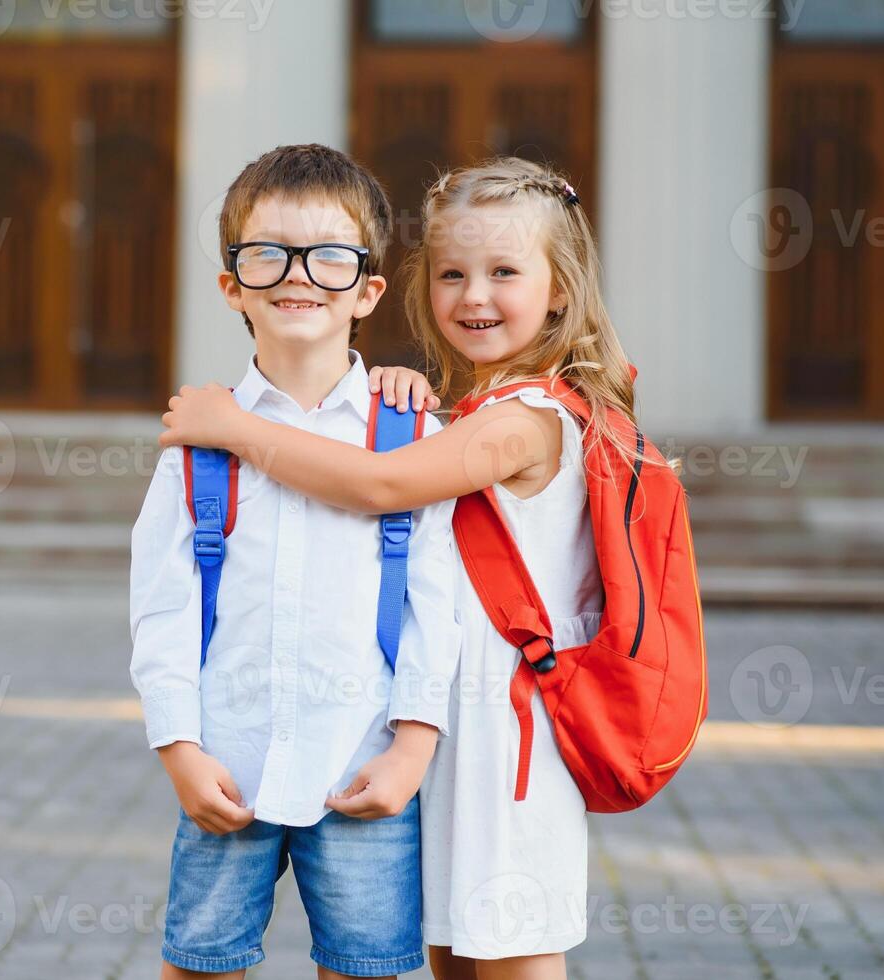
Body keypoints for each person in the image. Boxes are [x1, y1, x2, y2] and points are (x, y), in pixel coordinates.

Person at [160, 156, 658, 980]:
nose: (474, 295)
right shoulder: (475, 409)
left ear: (559, 289)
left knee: (509, 941)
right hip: (439, 721)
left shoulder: (533, 417)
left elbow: (381, 483)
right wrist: (405, 386)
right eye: (453, 273)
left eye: (505, 272)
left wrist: (234, 426)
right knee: (452, 951)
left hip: (508, 727)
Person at [129, 143, 460, 980]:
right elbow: (162, 609)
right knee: (200, 966)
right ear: (231, 283)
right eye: (266, 252)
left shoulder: (411, 437)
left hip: (360, 766)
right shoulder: (197, 443)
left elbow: (437, 608)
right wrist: (179, 748)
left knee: (366, 969)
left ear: (369, 289)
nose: (297, 273)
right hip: (227, 765)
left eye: (330, 254)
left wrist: (411, 752)